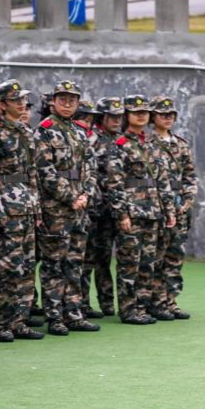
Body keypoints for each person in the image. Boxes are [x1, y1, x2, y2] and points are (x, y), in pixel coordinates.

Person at [33, 79, 99, 336]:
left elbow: (90, 168)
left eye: (72, 100)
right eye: (62, 99)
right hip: (56, 208)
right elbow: (45, 171)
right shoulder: (44, 130)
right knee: (54, 264)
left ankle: (73, 313)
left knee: (75, 262)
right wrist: (71, 196)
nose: (67, 103)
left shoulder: (80, 132)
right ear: (53, 101)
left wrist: (85, 194)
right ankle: (54, 316)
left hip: (79, 208)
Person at [105, 94, 176, 325]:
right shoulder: (120, 145)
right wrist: (122, 214)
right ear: (127, 115)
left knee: (148, 262)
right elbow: (114, 183)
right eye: (136, 113)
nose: (141, 116)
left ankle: (143, 307)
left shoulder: (152, 144)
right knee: (130, 263)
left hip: (153, 212)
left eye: (144, 112)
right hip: (132, 213)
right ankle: (128, 309)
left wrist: (169, 210)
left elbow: (162, 180)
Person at [0, 80, 43, 343]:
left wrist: (36, 207)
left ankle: (20, 320)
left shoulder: (25, 130)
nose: (21, 104)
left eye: (23, 100)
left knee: (27, 265)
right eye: (15, 100)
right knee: (6, 267)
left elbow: (32, 172)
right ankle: (1, 322)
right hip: (5, 207)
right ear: (0, 104)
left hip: (26, 206)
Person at [148, 96, 195, 320]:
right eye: (162, 114)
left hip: (179, 207)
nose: (167, 118)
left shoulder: (181, 144)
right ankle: (155, 301)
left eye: (171, 115)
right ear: (153, 117)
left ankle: (171, 300)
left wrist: (188, 200)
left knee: (175, 256)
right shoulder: (147, 143)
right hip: (156, 206)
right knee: (156, 256)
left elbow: (190, 175)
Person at [83, 96, 124, 317]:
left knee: (107, 258)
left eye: (119, 117)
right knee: (88, 258)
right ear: (102, 117)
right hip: (94, 210)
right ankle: (82, 303)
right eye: (112, 116)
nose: (117, 120)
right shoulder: (91, 139)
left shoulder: (122, 140)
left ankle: (107, 302)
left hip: (116, 210)